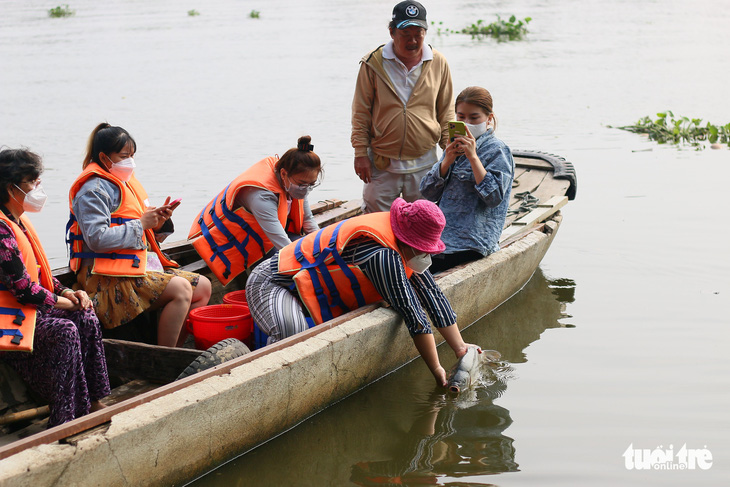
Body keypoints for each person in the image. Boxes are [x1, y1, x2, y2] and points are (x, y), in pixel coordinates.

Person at [246, 197, 479, 386]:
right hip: (272, 282)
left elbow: (432, 295)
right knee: (292, 335)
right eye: (423, 250)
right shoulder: (382, 254)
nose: (427, 256)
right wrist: (437, 369)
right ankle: (261, 383)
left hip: (300, 289)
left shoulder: (406, 247)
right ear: (407, 240)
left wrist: (460, 348)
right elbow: (414, 314)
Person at [68, 123, 211, 347]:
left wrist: (156, 223)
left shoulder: (125, 181)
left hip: (133, 268)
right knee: (181, 289)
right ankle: (163, 361)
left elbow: (139, 231)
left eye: (132, 155)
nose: (130, 161)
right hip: (104, 279)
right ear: (105, 158)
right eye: (124, 156)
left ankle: (172, 350)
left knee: (203, 287)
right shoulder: (93, 190)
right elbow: (96, 239)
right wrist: (140, 224)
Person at [0, 148, 110, 427]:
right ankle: (64, 418)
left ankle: (92, 401)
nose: (38, 189)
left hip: (32, 311)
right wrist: (63, 303)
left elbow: (39, 276)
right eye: (32, 183)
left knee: (85, 315)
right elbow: (23, 289)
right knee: (66, 329)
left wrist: (67, 292)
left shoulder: (18, 222)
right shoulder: (1, 231)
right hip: (10, 320)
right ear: (11, 188)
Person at [351, 1, 454, 213]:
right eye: (405, 33)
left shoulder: (438, 62)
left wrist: (450, 152)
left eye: (419, 33)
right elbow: (360, 113)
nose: (413, 40)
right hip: (381, 161)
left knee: (422, 221)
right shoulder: (372, 63)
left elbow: (447, 112)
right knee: (376, 221)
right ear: (392, 31)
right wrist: (360, 153)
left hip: (425, 160)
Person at [188, 135, 322, 286]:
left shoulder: (294, 184)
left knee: (312, 249)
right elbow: (282, 243)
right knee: (295, 263)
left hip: (266, 235)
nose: (306, 189)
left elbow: (308, 220)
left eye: (311, 184)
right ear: (284, 173)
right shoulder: (261, 196)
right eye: (302, 184)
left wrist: (323, 246)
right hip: (229, 243)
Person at [420, 86, 514, 273]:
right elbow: (427, 192)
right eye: (461, 117)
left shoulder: (497, 150)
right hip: (441, 238)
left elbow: (494, 198)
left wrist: (473, 157)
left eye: (474, 117)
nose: (467, 122)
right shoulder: (454, 146)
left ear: (489, 118)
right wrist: (447, 159)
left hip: (473, 243)